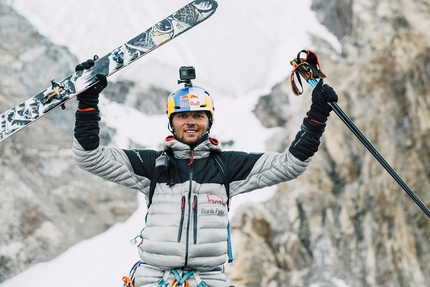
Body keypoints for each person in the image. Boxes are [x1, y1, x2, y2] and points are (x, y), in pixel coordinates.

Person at [72, 60, 338, 287]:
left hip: (207, 280)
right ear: (171, 121)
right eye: (182, 115)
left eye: (199, 115)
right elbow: (90, 157)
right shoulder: (151, 165)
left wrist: (316, 117)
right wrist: (87, 102)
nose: (190, 121)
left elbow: (290, 164)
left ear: (209, 121)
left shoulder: (227, 166)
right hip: (153, 279)